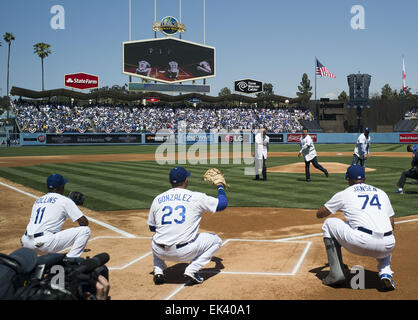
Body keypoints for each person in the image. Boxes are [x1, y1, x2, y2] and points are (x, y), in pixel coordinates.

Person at [316, 164, 396, 291]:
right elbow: (391, 224)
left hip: (360, 243)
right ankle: (385, 273)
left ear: (348, 178)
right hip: (387, 246)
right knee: (385, 232)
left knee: (328, 223)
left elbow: (320, 214)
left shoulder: (344, 194)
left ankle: (336, 274)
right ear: (364, 178)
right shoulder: (381, 193)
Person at [147, 167, 227, 285]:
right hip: (185, 252)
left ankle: (158, 271)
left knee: (157, 236)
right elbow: (222, 204)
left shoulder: (157, 199)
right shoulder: (196, 197)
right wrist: (220, 186)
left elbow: (152, 228)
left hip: (159, 251)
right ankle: (192, 270)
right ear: (186, 180)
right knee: (216, 241)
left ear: (170, 181)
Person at [21, 174, 91, 258]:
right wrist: (72, 204)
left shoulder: (38, 200)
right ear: (61, 187)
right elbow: (84, 223)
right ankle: (71, 259)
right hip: (43, 244)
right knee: (85, 231)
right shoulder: (65, 201)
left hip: (25, 243)